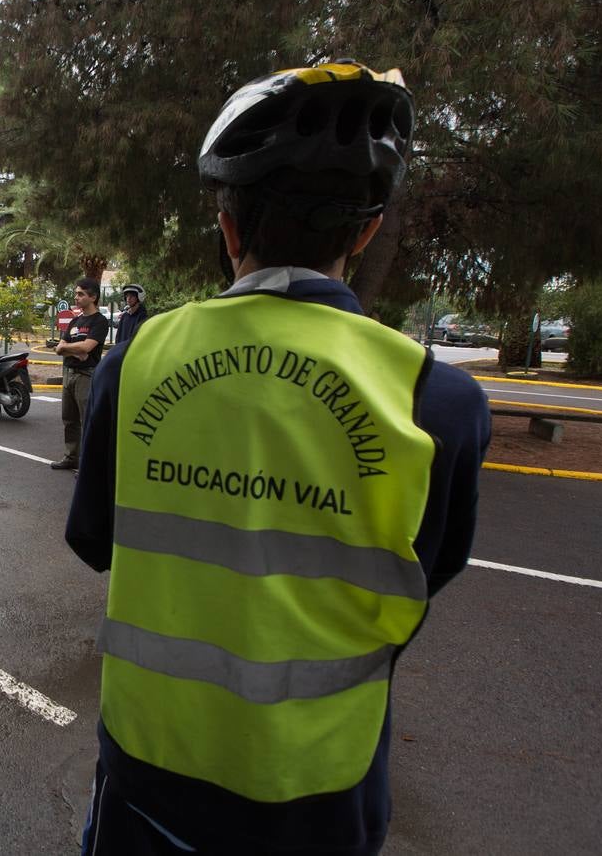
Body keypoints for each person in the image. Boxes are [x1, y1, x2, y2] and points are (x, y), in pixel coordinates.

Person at [66, 61, 491, 855]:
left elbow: (95, 539)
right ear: (364, 234)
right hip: (321, 790)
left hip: (150, 773)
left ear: (229, 230)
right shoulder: (437, 400)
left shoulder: (140, 360)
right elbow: (425, 571)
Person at [51, 278, 109, 470]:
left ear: (93, 297)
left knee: (87, 420)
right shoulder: (75, 321)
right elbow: (59, 349)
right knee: (69, 419)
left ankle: (88, 464)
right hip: (69, 373)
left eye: (81, 294)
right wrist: (75, 350)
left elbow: (88, 346)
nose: (76, 297)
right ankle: (71, 457)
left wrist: (71, 347)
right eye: (76, 293)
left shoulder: (99, 321)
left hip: (87, 375)